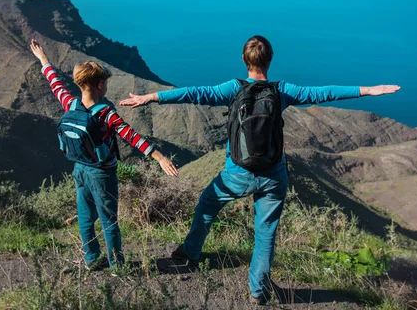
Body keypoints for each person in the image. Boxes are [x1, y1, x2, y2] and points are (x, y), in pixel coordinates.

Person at [119, 35, 400, 304]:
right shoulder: (282, 91)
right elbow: (323, 92)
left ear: (244, 60)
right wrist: (367, 90)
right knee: (265, 232)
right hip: (273, 176)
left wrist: (150, 97)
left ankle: (189, 254)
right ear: (270, 60)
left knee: (207, 205)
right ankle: (258, 290)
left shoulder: (233, 88)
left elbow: (194, 94)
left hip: (237, 173)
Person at [29, 39, 179, 271]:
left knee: (86, 218)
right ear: (100, 85)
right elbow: (131, 136)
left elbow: (55, 83)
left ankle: (91, 259)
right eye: (105, 83)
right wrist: (159, 157)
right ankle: (117, 265)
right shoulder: (106, 113)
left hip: (79, 169)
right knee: (109, 221)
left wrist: (43, 59)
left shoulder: (70, 104)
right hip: (102, 173)